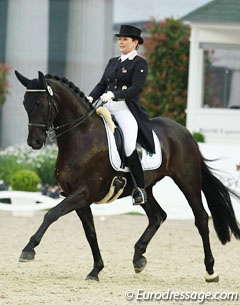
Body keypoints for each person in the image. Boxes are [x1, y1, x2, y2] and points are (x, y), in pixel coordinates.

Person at [87, 24, 155, 205]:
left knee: (128, 146)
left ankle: (139, 189)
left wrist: (115, 94)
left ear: (135, 43)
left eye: (125, 39)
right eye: (119, 39)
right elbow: (102, 84)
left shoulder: (139, 63)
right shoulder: (113, 62)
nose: (121, 42)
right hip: (105, 108)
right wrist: (89, 97)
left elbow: (136, 88)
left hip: (125, 110)